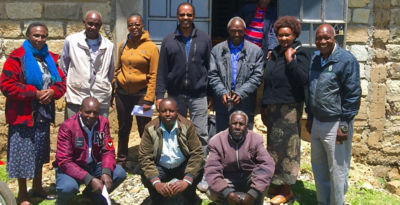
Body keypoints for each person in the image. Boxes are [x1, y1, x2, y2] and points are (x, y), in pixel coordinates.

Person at [0, 22, 66, 205]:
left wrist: (53, 92)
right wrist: (33, 93)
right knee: (23, 154)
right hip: (23, 116)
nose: (40, 39)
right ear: (28, 36)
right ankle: (22, 194)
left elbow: (61, 83)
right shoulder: (17, 58)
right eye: (36, 35)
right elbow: (6, 85)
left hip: (43, 115)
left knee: (39, 152)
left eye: (43, 36)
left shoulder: (50, 58)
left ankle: (37, 187)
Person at [307, 24, 361, 205]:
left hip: (336, 124)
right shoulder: (315, 59)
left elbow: (353, 95)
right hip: (317, 123)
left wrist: (344, 125)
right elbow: (311, 89)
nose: (322, 41)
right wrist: (311, 117)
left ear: (334, 38)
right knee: (319, 167)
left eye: (326, 37)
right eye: (319, 38)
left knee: (337, 170)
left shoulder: (346, 60)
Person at [260, 16, 310, 205]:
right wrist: (263, 106)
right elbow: (269, 82)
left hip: (289, 108)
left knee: (288, 148)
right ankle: (277, 183)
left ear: (295, 34)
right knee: (273, 148)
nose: (283, 38)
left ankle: (287, 189)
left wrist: (291, 61)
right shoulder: (273, 54)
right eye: (280, 35)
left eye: (287, 35)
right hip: (272, 108)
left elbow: (303, 79)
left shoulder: (300, 53)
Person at [155, 2, 212, 149]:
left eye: (188, 14)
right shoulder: (169, 40)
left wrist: (210, 93)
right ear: (177, 16)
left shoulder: (204, 38)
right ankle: (178, 163)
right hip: (175, 95)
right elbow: (162, 70)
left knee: (200, 133)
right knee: (176, 131)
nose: (185, 17)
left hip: (198, 95)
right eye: (182, 14)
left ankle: (200, 166)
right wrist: (160, 95)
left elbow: (209, 67)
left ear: (194, 16)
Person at [53, 97, 126, 205]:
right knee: (67, 188)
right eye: (87, 112)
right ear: (80, 110)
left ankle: (92, 195)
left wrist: (106, 171)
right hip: (72, 167)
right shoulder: (67, 127)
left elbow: (108, 150)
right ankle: (62, 201)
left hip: (93, 165)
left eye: (95, 113)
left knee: (119, 173)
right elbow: (64, 160)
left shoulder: (103, 123)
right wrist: (89, 179)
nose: (91, 116)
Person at [113, 13, 159, 167]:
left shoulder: (151, 48)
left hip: (141, 94)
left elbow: (154, 75)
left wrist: (149, 98)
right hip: (123, 95)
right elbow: (117, 67)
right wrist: (115, 83)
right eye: (131, 25)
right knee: (123, 127)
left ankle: (147, 160)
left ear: (143, 26)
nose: (134, 27)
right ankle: (121, 160)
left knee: (144, 127)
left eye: (137, 24)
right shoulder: (123, 45)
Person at [139, 98, 204, 204]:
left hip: (182, 165)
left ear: (177, 111)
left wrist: (186, 180)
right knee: (145, 175)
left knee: (199, 169)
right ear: (159, 112)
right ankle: (158, 198)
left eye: (171, 111)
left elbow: (197, 153)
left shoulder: (187, 126)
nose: (168, 114)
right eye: (164, 111)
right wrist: (156, 182)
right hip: (161, 166)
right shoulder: (150, 128)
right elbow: (144, 156)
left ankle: (189, 196)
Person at [204, 111, 275, 205]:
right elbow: (212, 170)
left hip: (249, 178)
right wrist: (227, 193)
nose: (237, 127)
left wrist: (253, 193)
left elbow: (267, 164)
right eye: (234, 123)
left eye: (241, 124)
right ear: (229, 125)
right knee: (212, 191)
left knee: (263, 182)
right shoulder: (217, 141)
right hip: (228, 179)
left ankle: (253, 201)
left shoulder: (256, 139)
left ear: (246, 126)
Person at [208, 16, 264, 132]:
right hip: (223, 102)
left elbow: (257, 76)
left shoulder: (256, 51)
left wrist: (241, 93)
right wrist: (222, 92)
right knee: (223, 136)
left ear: (245, 31)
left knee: (244, 137)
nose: (237, 34)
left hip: (245, 102)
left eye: (240, 31)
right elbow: (213, 75)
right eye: (233, 31)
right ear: (228, 31)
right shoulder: (217, 50)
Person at [61, 10, 114, 118]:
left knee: (100, 132)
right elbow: (64, 67)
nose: (93, 27)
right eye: (90, 23)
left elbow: (110, 71)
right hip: (76, 96)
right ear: (84, 23)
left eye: (97, 25)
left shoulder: (108, 45)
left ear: (100, 26)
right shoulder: (71, 41)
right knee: (74, 131)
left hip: (100, 96)